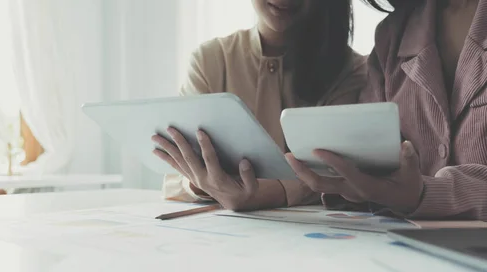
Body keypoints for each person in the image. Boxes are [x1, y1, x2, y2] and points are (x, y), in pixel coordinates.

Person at [152, 0, 367, 211]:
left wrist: (268, 193)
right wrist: (203, 184)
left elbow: (338, 171)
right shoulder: (209, 60)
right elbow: (175, 175)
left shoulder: (350, 70)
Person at [286, 0, 487, 221]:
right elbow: (369, 165)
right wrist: (355, 184)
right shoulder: (391, 36)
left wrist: (424, 194)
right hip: (402, 249)